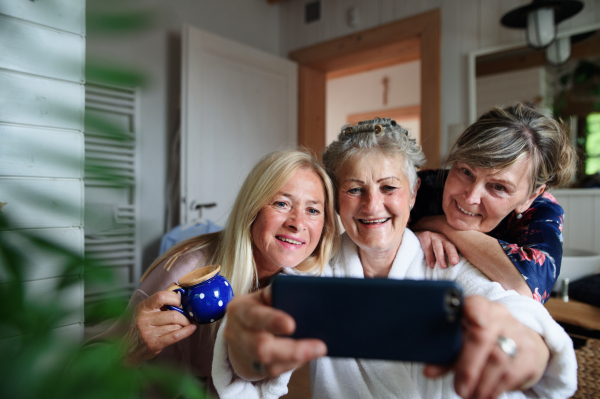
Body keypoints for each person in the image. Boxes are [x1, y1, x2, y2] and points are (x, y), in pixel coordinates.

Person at [212, 118, 577, 399]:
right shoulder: (315, 272)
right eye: (355, 189)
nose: (373, 206)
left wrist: (529, 348)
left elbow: (513, 308)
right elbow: (251, 368)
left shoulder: (446, 263)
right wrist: (246, 350)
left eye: (389, 187)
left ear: (415, 191)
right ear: (337, 198)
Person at [84, 149, 340, 397]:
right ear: (252, 210)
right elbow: (83, 368)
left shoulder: (302, 281)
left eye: (313, 210)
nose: (297, 223)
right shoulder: (186, 273)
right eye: (282, 203)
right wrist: (129, 348)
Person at [410, 103, 577, 303]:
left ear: (530, 197)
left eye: (498, 187)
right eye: (465, 171)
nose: (471, 196)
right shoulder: (425, 185)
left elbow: (527, 285)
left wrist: (435, 224)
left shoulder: (541, 211)